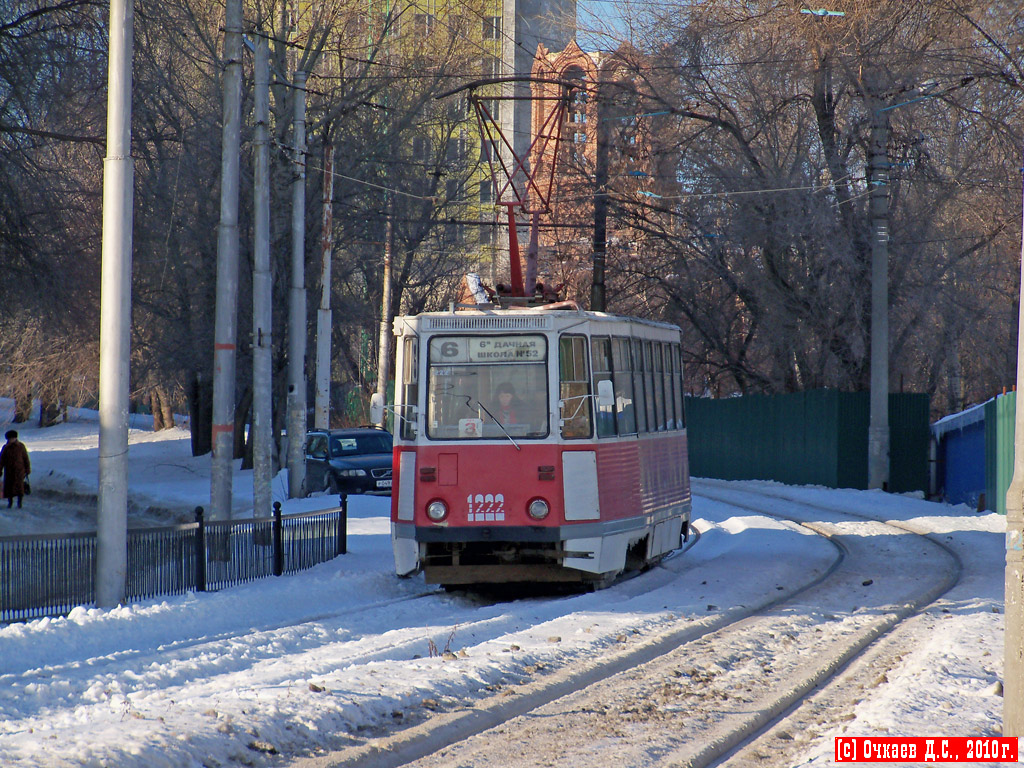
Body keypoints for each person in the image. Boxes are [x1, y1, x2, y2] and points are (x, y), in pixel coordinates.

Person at [0, 430, 30, 509]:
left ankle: (19, 502)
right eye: (10, 438)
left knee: (19, 487)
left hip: (19, 470)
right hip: (9, 470)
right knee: (9, 487)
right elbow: (1, 460)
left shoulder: (21, 446)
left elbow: (25, 458)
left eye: (12, 438)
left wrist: (27, 469)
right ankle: (10, 502)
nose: (11, 440)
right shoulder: (5, 447)